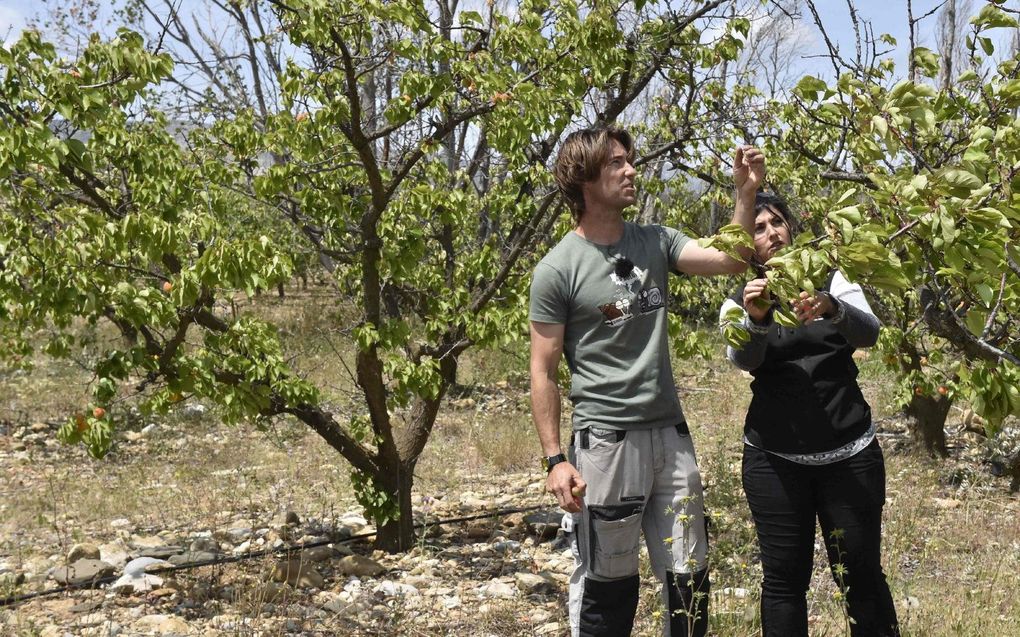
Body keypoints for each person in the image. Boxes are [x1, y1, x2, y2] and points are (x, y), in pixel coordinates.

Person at [529, 125, 764, 637]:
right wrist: (555, 459)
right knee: (610, 589)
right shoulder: (557, 269)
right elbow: (542, 371)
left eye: (628, 160)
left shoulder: (654, 241)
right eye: (616, 163)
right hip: (606, 444)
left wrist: (745, 196)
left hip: (671, 438)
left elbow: (731, 259)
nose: (631, 170)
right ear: (584, 178)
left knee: (690, 584)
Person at [720, 192, 900, 636]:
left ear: (791, 227)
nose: (771, 233)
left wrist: (831, 307)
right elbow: (743, 360)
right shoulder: (740, 296)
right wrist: (757, 318)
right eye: (758, 228)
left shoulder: (831, 277)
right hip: (775, 462)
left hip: (850, 454)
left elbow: (870, 333)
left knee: (860, 576)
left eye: (777, 222)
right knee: (783, 582)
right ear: (748, 244)